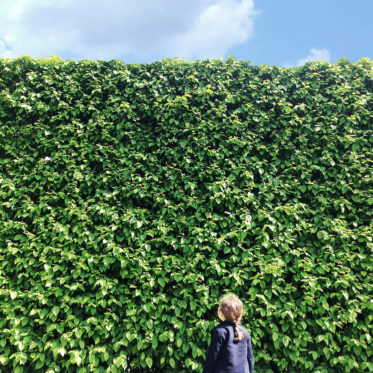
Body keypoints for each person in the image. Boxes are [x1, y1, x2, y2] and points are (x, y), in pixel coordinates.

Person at [203, 294, 254, 373]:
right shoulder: (245, 333)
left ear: (221, 313)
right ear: (240, 314)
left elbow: (212, 358)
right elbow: (250, 359)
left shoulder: (219, 331)